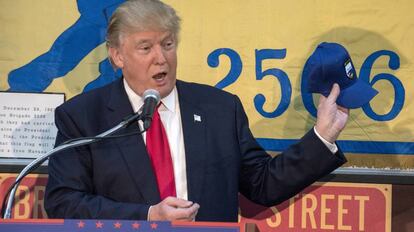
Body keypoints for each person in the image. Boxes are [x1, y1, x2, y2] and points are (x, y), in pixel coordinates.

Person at [45, 0, 348, 222]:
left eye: (167, 44)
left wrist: (321, 136)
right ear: (117, 56)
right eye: (145, 48)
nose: (161, 58)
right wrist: (148, 216)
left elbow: (263, 185)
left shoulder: (220, 109)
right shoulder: (84, 117)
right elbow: (63, 202)